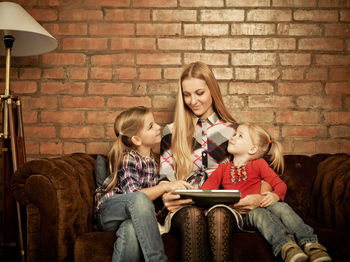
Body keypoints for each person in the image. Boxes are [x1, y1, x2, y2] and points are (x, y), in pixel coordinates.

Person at [159, 61, 270, 262]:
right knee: (192, 215)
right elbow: (164, 178)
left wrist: (260, 196)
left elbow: (260, 171)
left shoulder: (232, 132)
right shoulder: (170, 131)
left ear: (212, 91)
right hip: (183, 209)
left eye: (199, 93)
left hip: (223, 208)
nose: (193, 100)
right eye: (187, 94)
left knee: (218, 214)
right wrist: (166, 196)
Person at [201, 123, 332, 262]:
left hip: (263, 204)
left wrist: (275, 195)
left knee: (282, 207)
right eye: (234, 134)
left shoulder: (259, 164)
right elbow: (206, 190)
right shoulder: (223, 168)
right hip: (244, 214)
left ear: (252, 149)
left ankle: (312, 245)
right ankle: (286, 247)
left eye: (240, 136)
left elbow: (279, 184)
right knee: (258, 213)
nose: (232, 137)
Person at [95, 106, 192, 262]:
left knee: (130, 228)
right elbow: (134, 197)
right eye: (151, 126)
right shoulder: (128, 158)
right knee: (140, 199)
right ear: (136, 139)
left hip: (129, 217)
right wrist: (166, 186)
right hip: (109, 212)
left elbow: (149, 205)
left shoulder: (153, 161)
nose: (158, 127)